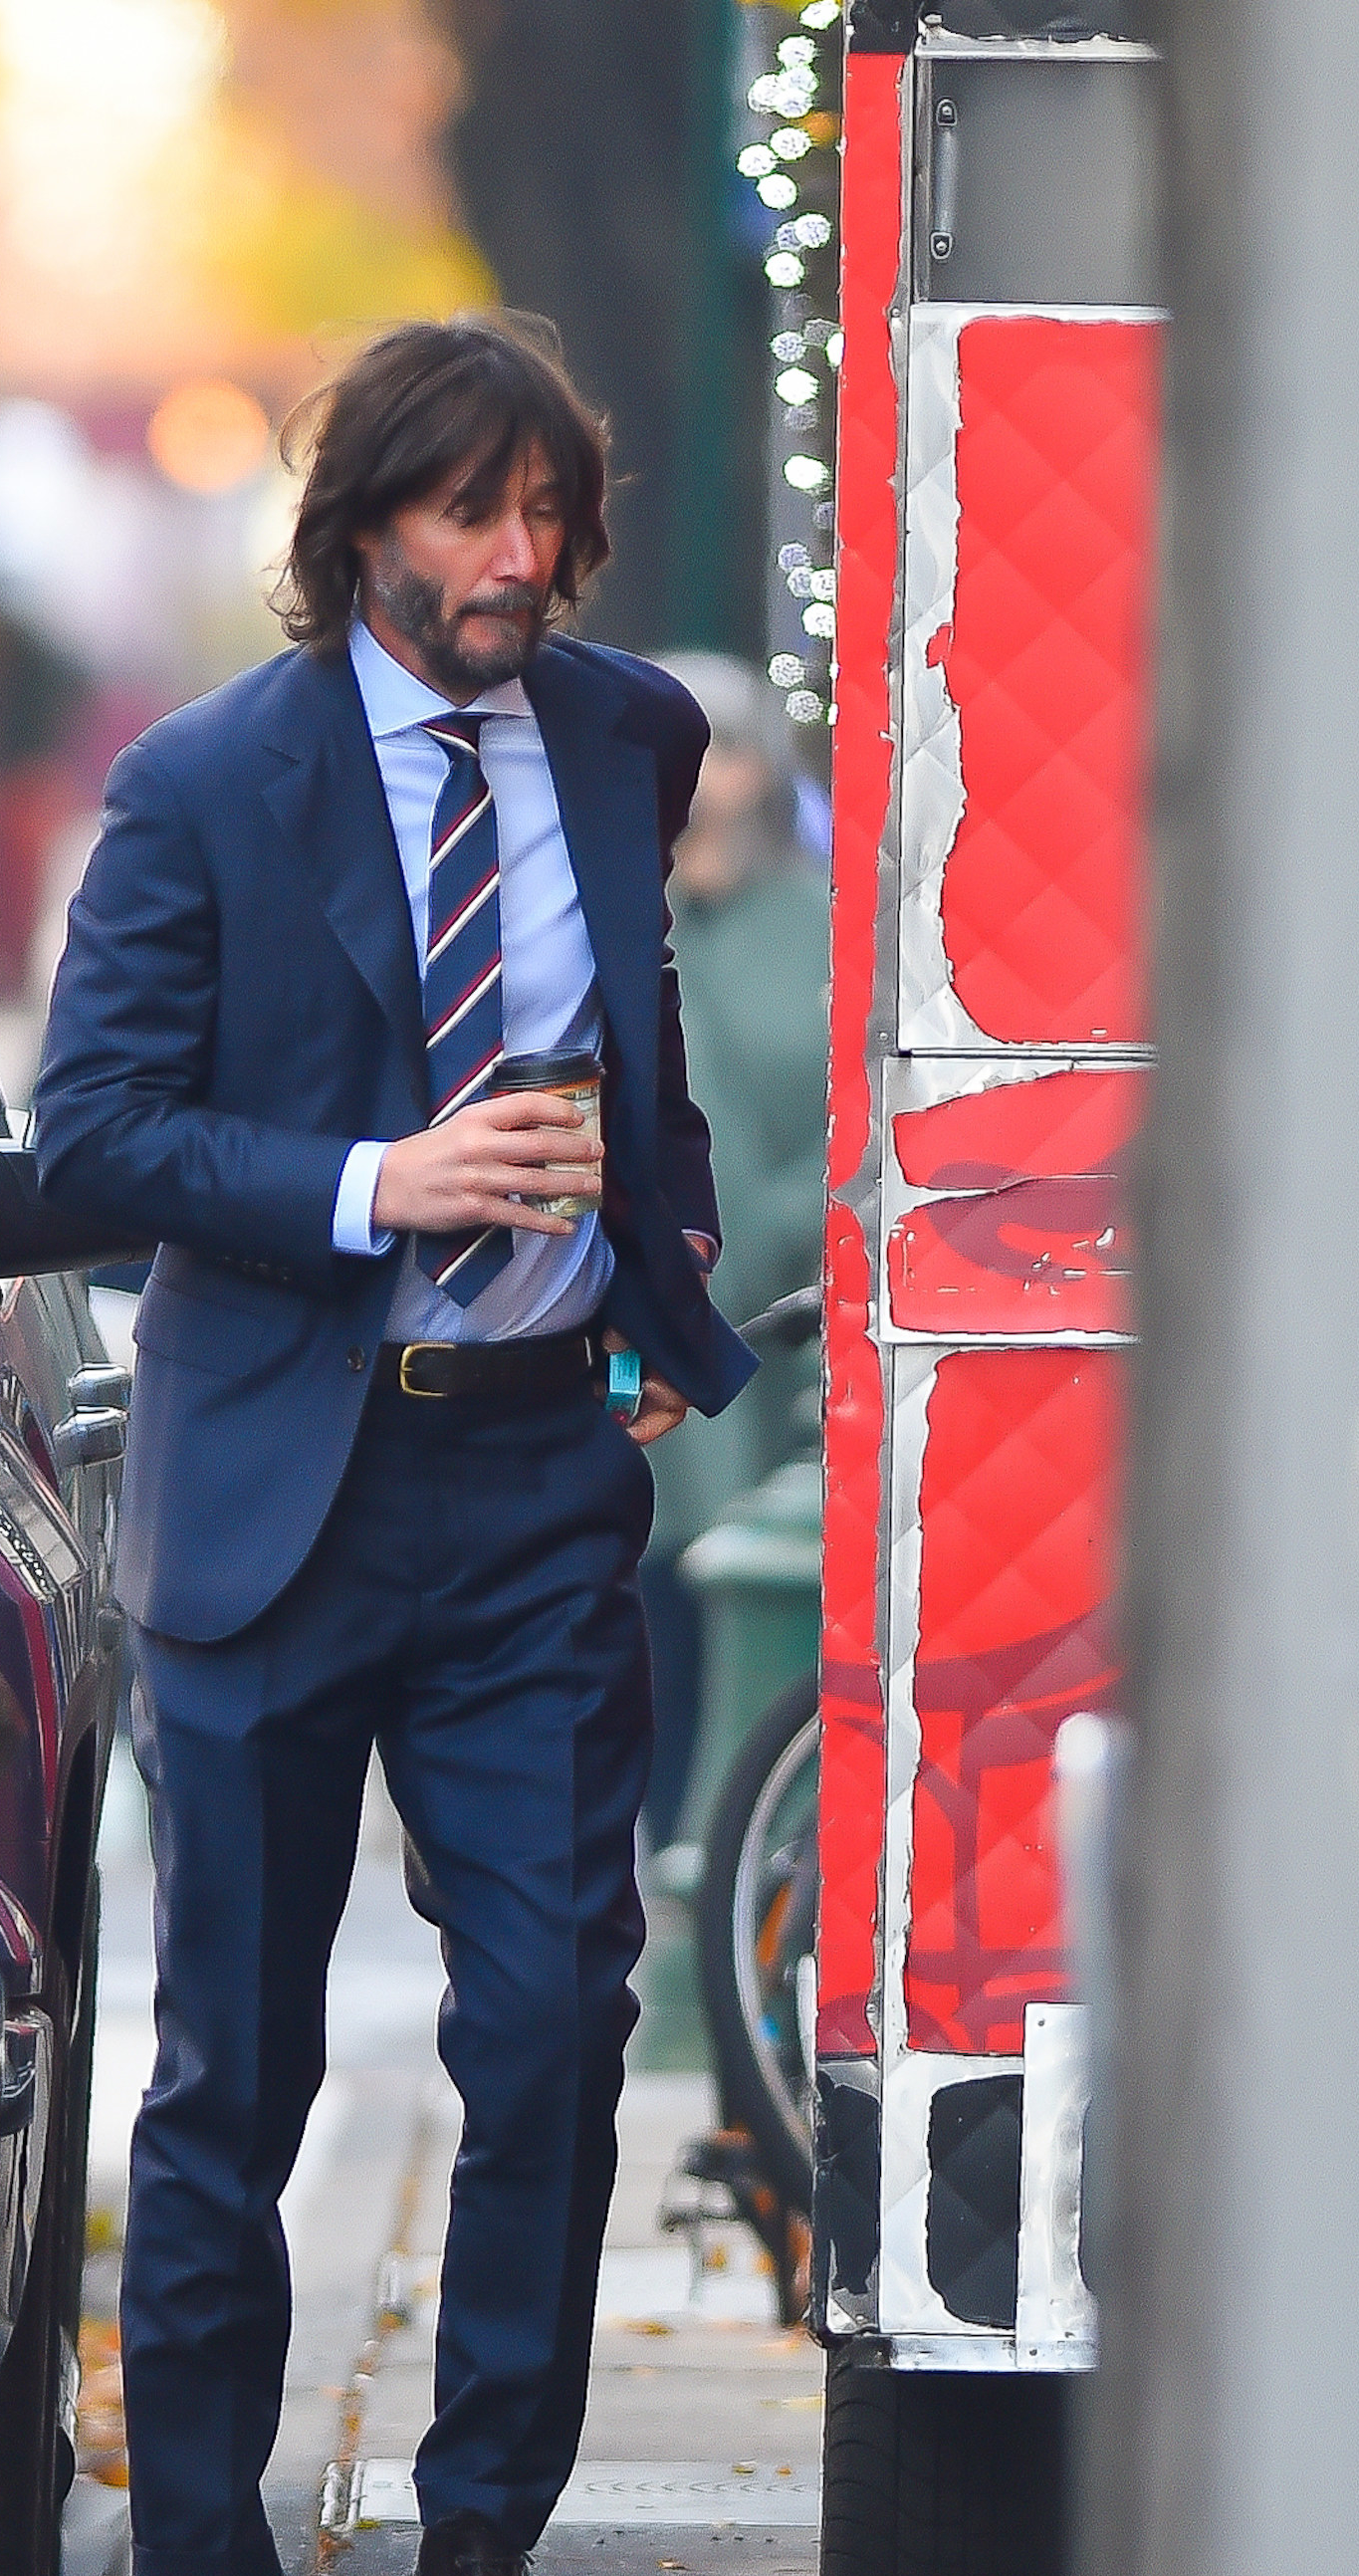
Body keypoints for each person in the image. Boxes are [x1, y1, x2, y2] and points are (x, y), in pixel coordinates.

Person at [30, 313, 754, 2576]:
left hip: (539, 1481)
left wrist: (655, 1253)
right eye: (469, 518)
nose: (517, 563)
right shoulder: (204, 785)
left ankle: (476, 2566)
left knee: (554, 2017)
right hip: (272, 1491)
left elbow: (627, 1015)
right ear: (361, 528)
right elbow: (95, 1136)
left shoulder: (626, 731)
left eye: (548, 518)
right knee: (234, 2072)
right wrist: (377, 1184)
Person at [635, 655, 829, 1851]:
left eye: (725, 752)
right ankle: (653, 1851)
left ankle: (720, 1857)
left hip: (767, 1313)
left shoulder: (813, 924)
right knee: (635, 1592)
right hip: (631, 1311)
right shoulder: (619, 904)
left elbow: (848, 1115)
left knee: (745, 1599)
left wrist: (764, 1238)